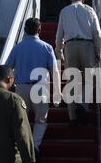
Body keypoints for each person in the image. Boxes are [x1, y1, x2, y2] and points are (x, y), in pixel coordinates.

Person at [6, 18, 61, 154]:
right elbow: (55, 71)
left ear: (25, 30)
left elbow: (7, 68)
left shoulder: (17, 47)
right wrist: (57, 93)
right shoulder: (47, 47)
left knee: (20, 119)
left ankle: (21, 146)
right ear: (40, 30)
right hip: (40, 88)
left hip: (22, 87)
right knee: (41, 120)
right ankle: (35, 147)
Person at [55, 0, 101, 125]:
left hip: (70, 46)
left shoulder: (64, 11)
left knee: (71, 82)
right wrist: (98, 51)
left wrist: (59, 52)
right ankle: (82, 104)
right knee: (89, 79)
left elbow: (59, 35)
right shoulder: (89, 10)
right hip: (87, 46)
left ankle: (73, 118)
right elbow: (97, 33)